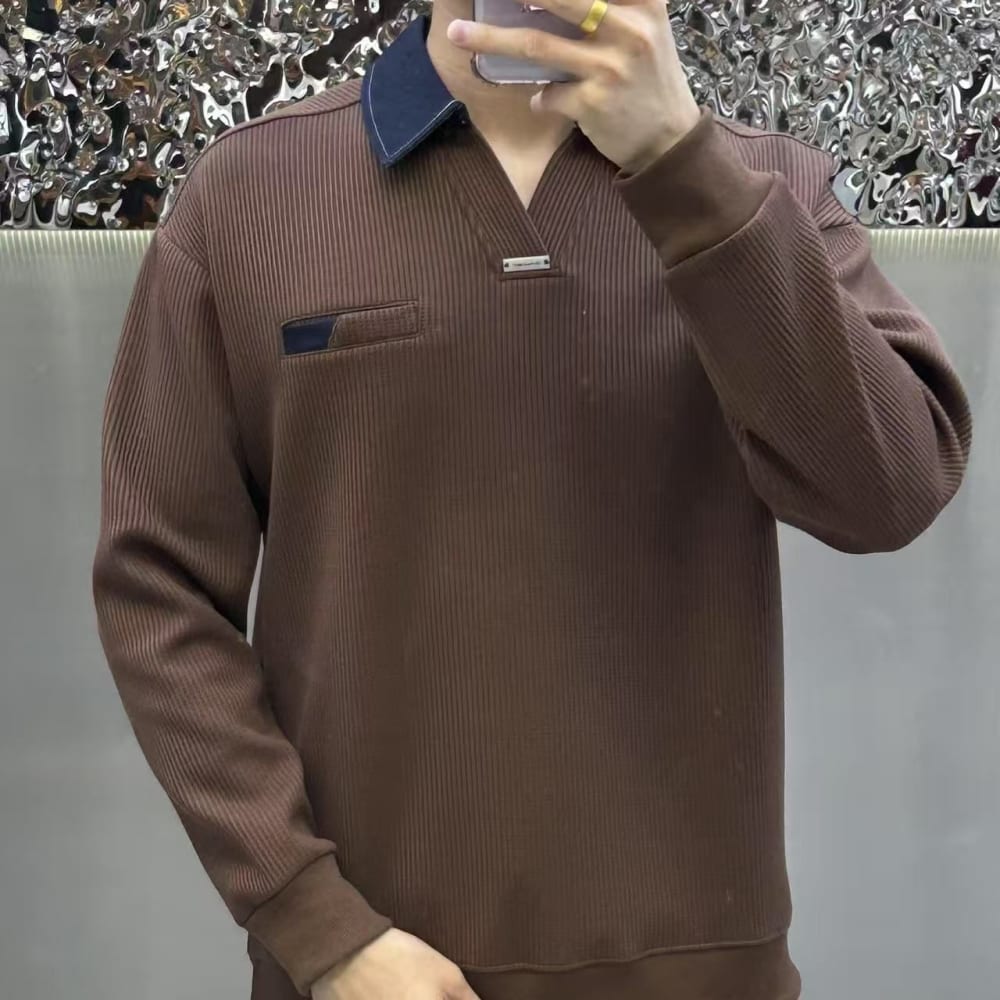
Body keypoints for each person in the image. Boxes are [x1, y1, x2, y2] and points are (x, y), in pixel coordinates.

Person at [91, 0, 972, 997]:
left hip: (701, 969)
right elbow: (156, 587)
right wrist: (316, 924)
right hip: (372, 969)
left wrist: (681, 168)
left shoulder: (764, 186)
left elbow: (888, 491)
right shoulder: (250, 192)